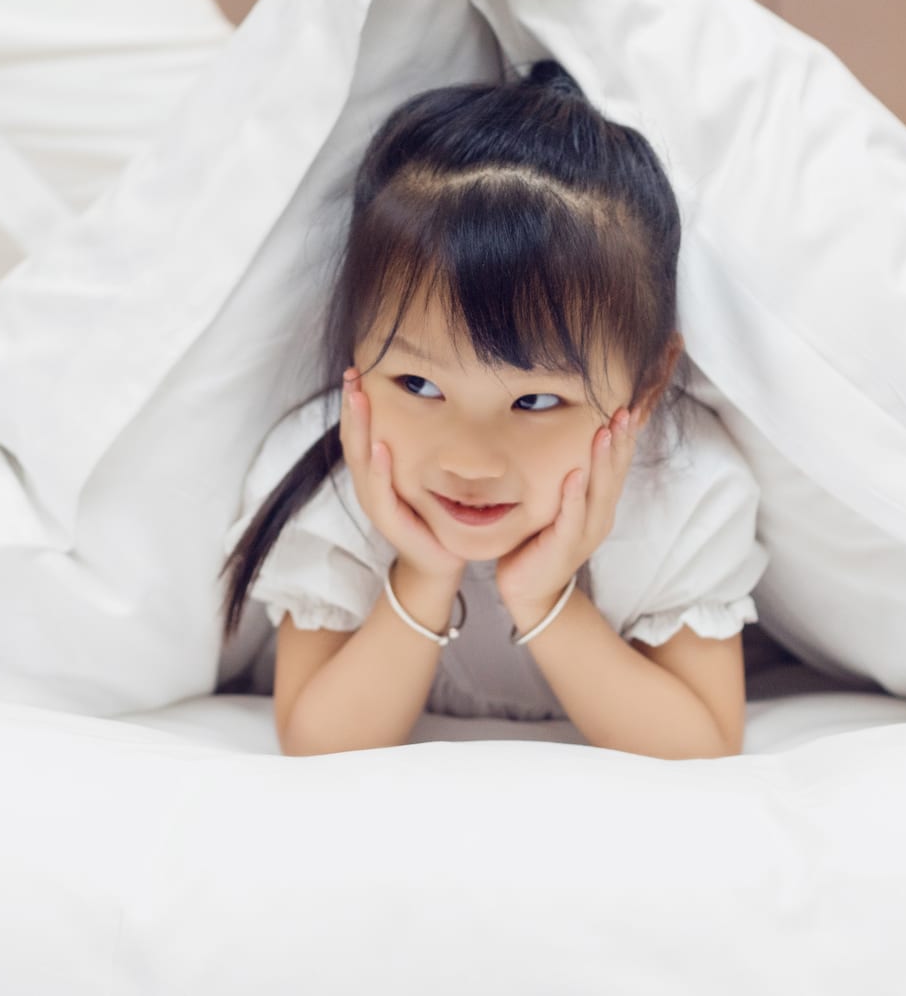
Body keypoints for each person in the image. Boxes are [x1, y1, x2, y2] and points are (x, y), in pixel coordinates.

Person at [223, 62, 765, 758]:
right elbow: (318, 742)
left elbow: (704, 744)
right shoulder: (335, 480)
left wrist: (544, 598)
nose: (467, 460)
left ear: (648, 385)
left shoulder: (681, 491)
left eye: (536, 400)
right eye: (418, 386)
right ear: (355, 354)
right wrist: (424, 571)